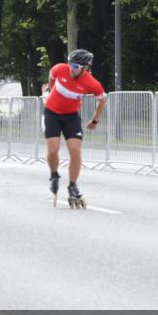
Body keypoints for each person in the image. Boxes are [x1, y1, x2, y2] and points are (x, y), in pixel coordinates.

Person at [43, 49, 106, 208]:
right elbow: (51, 77)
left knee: (75, 151)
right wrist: (51, 92)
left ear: (85, 67)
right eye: (71, 63)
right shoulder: (60, 69)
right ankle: (54, 174)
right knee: (53, 149)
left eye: (76, 65)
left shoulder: (91, 82)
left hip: (71, 117)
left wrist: (95, 120)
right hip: (52, 113)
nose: (72, 68)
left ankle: (72, 185)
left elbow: (102, 99)